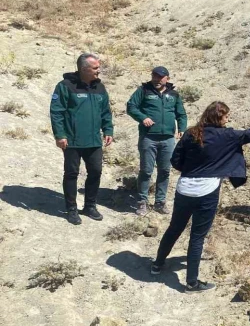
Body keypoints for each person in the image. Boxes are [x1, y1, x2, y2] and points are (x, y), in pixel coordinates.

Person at [151, 101, 250, 292]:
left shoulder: (191, 133)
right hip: (207, 190)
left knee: (174, 228)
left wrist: (191, 170)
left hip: (184, 188)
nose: (228, 120)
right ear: (218, 117)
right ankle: (191, 283)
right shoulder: (227, 135)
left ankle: (157, 265)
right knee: (197, 236)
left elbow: (175, 160)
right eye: (226, 116)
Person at [50, 53, 114, 225]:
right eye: (95, 68)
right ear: (84, 69)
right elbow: (57, 112)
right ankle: (71, 209)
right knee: (71, 174)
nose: (98, 70)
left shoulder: (99, 88)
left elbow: (106, 112)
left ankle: (90, 206)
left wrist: (108, 130)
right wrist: (60, 135)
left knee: (96, 172)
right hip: (72, 140)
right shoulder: (65, 86)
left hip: (94, 140)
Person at [126, 66, 188, 216]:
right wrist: (143, 118)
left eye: (160, 77)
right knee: (146, 171)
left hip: (168, 139)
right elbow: (131, 106)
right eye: (154, 76)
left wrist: (182, 128)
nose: (157, 80)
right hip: (148, 138)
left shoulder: (173, 94)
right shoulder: (144, 90)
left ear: (167, 78)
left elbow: (181, 114)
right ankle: (142, 202)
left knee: (165, 171)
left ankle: (160, 202)